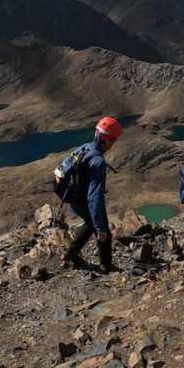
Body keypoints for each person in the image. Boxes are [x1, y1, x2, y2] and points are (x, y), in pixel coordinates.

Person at [59, 116, 124, 272]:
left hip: (76, 200)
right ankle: (106, 266)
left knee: (89, 225)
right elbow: (93, 198)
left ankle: (69, 254)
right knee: (103, 232)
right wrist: (100, 229)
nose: (113, 143)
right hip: (87, 203)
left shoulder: (85, 147)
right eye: (113, 140)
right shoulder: (97, 162)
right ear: (106, 139)